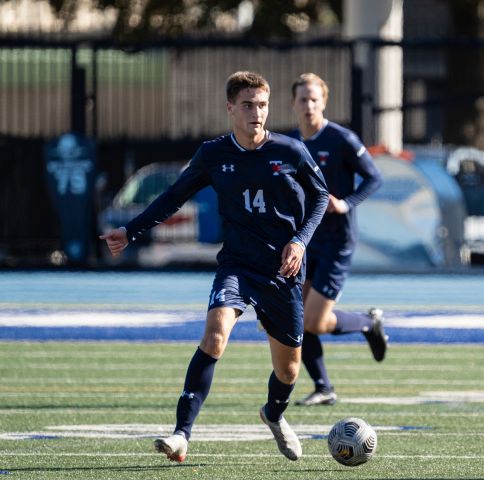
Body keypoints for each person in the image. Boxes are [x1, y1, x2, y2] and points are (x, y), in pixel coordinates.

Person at [100, 71, 329, 462]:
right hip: (237, 266)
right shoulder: (213, 154)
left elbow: (321, 197)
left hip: (283, 272)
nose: (257, 113)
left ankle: (273, 414)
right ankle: (181, 435)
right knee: (214, 337)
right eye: (247, 105)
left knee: (289, 371)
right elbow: (173, 197)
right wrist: (131, 230)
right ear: (229, 108)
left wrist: (299, 240)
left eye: (262, 105)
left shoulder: (290, 151)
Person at [288, 73, 386, 407]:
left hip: (336, 242)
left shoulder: (341, 138)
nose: (309, 105)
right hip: (304, 239)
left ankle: (367, 323)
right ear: (293, 104)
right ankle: (323, 387)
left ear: (324, 102)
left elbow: (374, 177)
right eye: (303, 99)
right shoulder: (290, 144)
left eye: (314, 99)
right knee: (296, 317)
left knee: (314, 319)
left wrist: (346, 203)